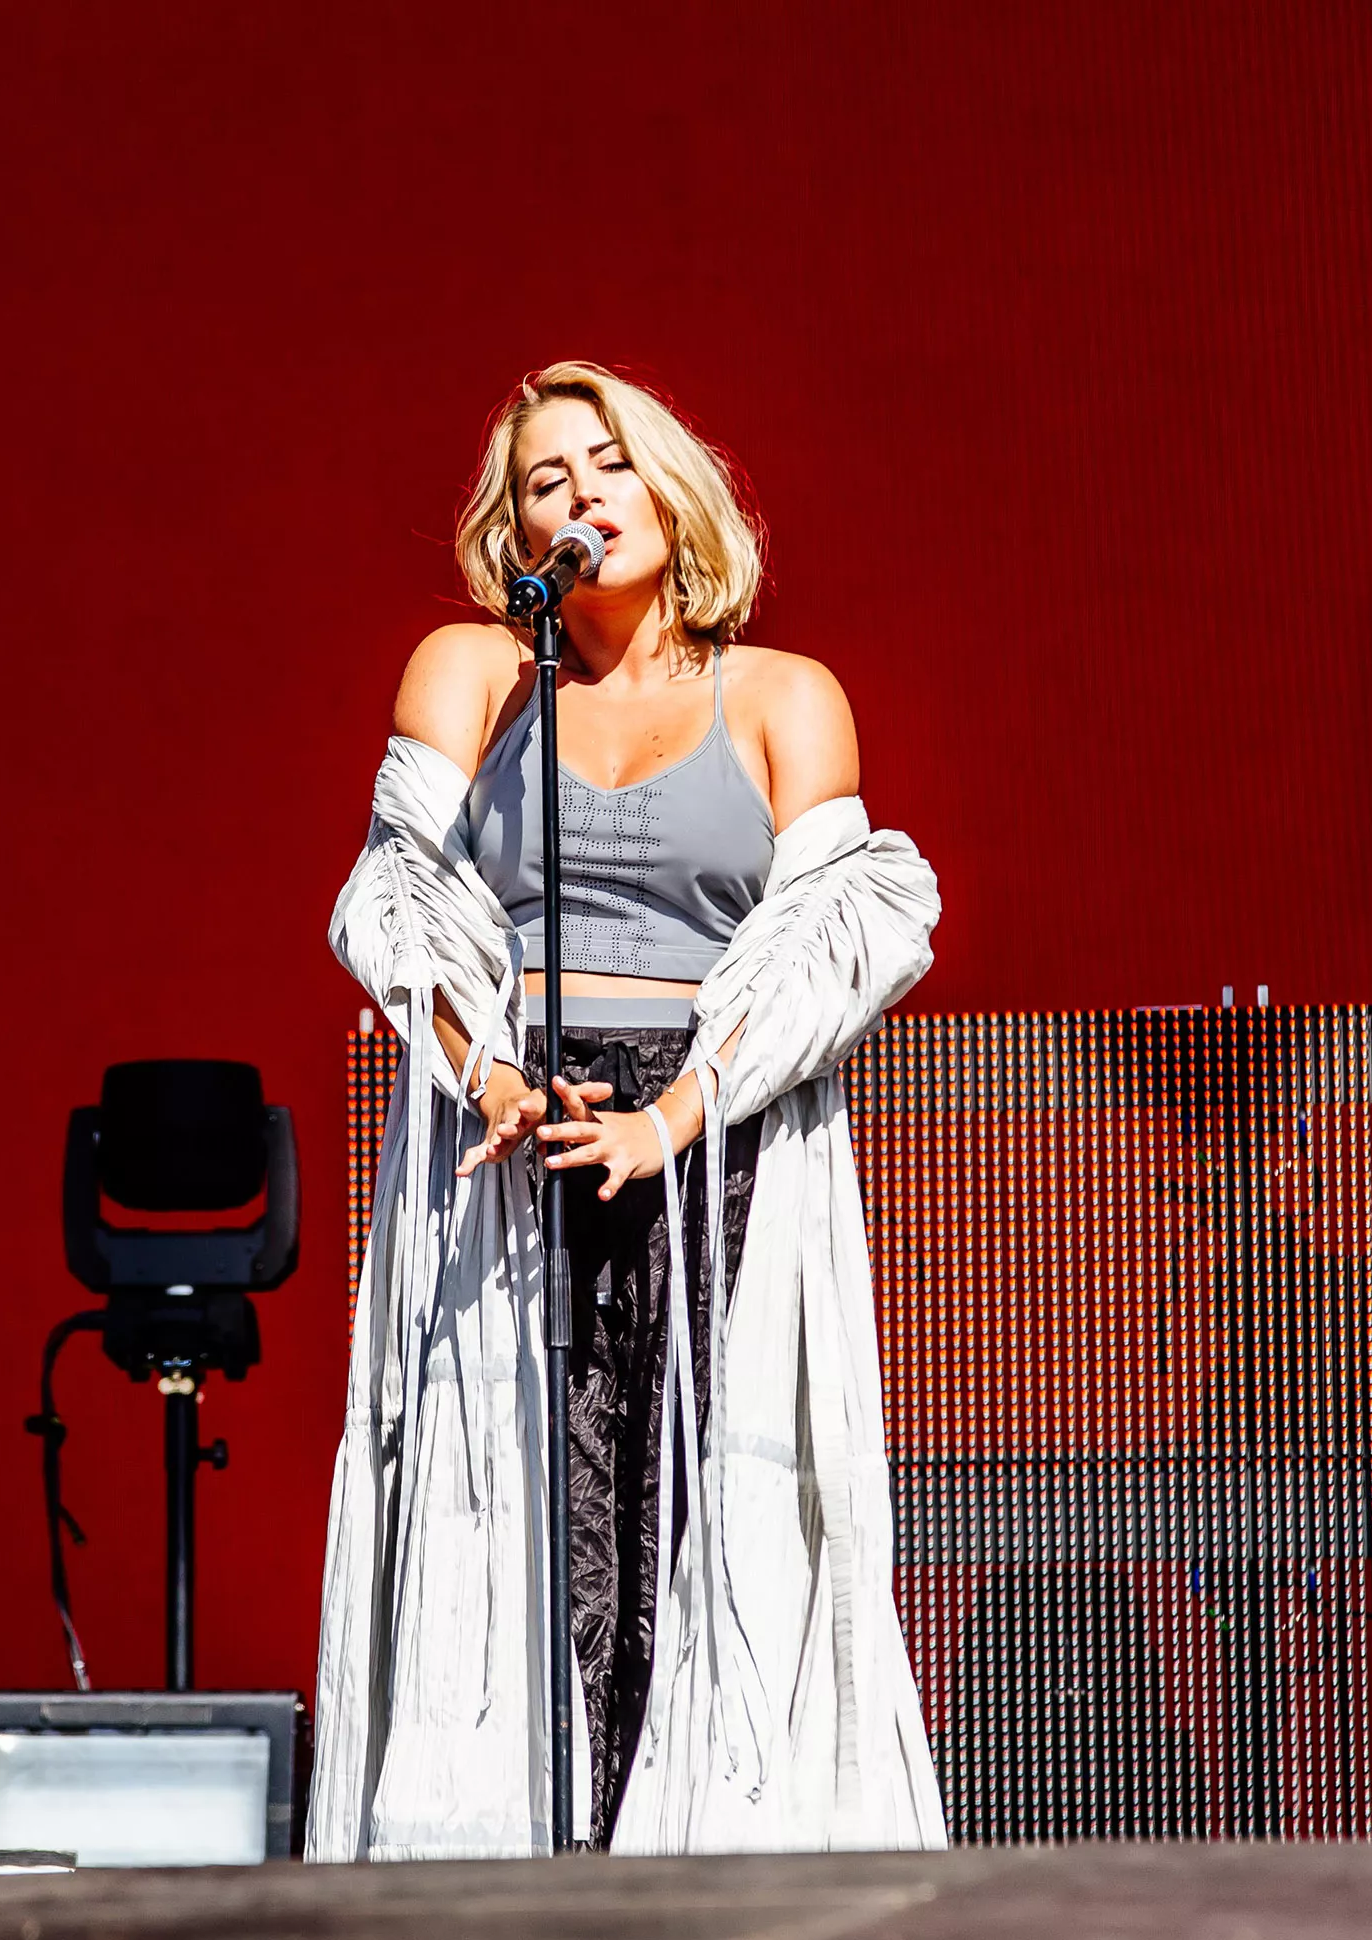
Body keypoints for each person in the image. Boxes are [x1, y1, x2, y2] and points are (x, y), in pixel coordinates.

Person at [315, 361, 946, 1859]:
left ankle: (701, 1868)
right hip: (511, 1122)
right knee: (522, 1518)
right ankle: (525, 1871)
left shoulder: (784, 695)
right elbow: (393, 903)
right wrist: (486, 1070)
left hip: (717, 1135)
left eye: (608, 462)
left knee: (705, 1510)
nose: (583, 494)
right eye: (547, 479)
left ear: (670, 486)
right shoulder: (472, 673)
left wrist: (675, 1120)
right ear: (516, 531)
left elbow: (834, 945)